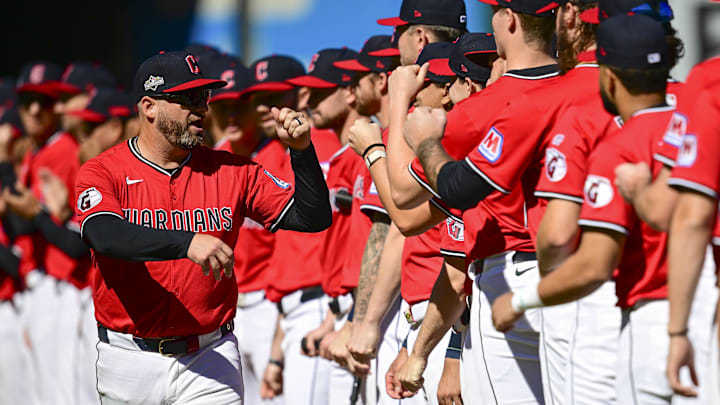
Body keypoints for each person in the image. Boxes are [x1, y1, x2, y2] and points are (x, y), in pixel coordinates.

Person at [75, 50, 332, 404]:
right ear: (149, 107)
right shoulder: (104, 171)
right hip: (129, 358)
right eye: (187, 99)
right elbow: (104, 235)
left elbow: (311, 217)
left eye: (204, 97)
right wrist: (186, 242)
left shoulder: (233, 170)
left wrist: (302, 152)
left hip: (210, 355)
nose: (202, 109)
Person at [490, 14, 687, 404]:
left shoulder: (612, 141)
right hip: (698, 310)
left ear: (608, 77)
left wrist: (523, 299)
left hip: (625, 307)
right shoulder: (699, 120)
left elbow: (573, 246)